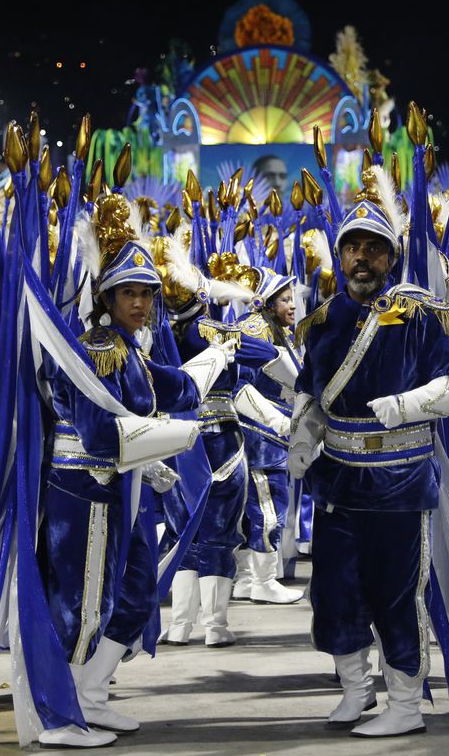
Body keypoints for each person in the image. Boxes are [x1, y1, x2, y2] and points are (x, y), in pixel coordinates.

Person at [37, 194, 235, 748]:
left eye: (148, 294)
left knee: (139, 594)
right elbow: (102, 439)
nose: (143, 303)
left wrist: (219, 356)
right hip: (86, 493)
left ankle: (92, 697)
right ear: (107, 296)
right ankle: (63, 714)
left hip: (117, 491)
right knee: (84, 602)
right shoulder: (99, 348)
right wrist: (175, 440)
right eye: (131, 293)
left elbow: (170, 387)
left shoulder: (127, 348)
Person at [288, 172, 449, 738]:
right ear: (339, 255)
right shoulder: (322, 321)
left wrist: (407, 404)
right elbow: (310, 388)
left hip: (398, 478)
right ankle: (355, 689)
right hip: (339, 479)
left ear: (391, 257)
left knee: (396, 595)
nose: (361, 257)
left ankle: (406, 706)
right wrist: (302, 434)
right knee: (335, 593)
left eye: (374, 247)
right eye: (353, 247)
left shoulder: (420, 314)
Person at [158, 244, 279, 647]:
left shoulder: (157, 334)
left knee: (182, 533)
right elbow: (264, 352)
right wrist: (248, 315)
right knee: (219, 533)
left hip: (174, 440)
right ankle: (215, 626)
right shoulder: (209, 331)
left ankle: (178, 625)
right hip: (219, 442)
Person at [232, 267, 304, 604]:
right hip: (260, 435)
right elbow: (241, 386)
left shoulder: (274, 331)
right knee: (267, 507)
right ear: (266, 302)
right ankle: (264, 580)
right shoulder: (256, 331)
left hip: (272, 435)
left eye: (293, 299)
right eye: (285, 300)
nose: (293, 306)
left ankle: (248, 580)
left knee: (262, 506)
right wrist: (275, 421)